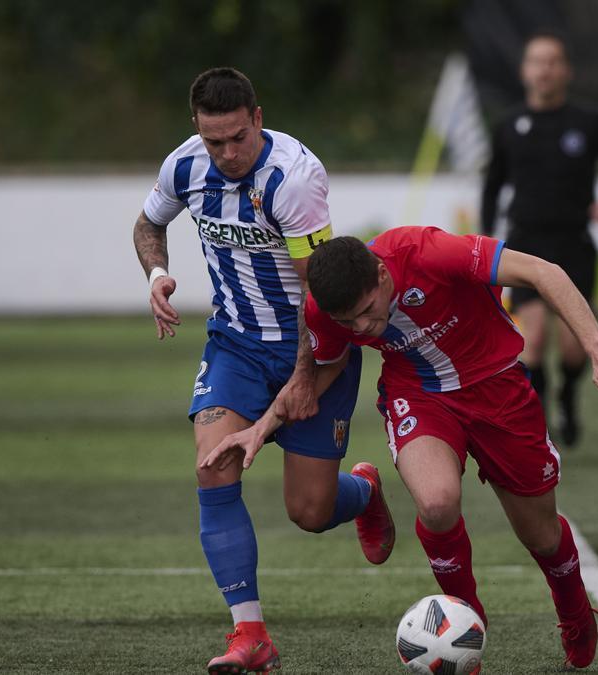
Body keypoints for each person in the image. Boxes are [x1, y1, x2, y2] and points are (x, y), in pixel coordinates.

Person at [202, 225, 598, 668]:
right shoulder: (325, 310)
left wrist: (597, 345)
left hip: (498, 387)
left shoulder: (428, 252)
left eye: (366, 312)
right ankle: (467, 621)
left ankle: (573, 611)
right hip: (418, 394)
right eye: (346, 322)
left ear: (380, 274)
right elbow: (324, 368)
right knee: (435, 503)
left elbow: (543, 272)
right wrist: (261, 426)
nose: (360, 327)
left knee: (542, 536)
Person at [132, 67, 395, 674]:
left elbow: (318, 295)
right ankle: (250, 635)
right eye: (212, 141)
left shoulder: (293, 180)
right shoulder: (185, 165)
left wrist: (304, 378)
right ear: (196, 129)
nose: (226, 153)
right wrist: (156, 274)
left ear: (257, 116)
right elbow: (149, 222)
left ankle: (364, 491)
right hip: (236, 344)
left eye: (237, 138)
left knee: (309, 512)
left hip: (313, 345)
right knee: (214, 465)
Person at [481, 31, 598, 447]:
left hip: (574, 246)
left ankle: (568, 394)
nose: (544, 69)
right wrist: (481, 241)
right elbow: (492, 187)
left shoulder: (590, 122)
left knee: (573, 349)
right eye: (537, 61)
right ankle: (538, 424)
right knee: (531, 340)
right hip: (525, 244)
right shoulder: (509, 125)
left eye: (552, 61)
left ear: (565, 71)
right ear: (524, 71)